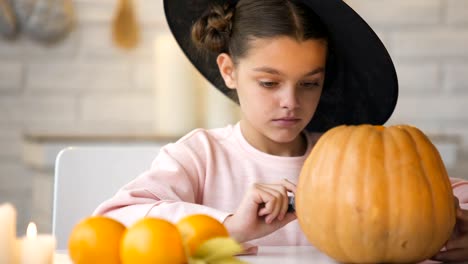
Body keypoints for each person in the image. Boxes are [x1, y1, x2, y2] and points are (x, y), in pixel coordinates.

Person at [94, 0, 468, 261]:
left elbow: (441, 197)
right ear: (229, 71)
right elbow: (114, 220)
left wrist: (456, 230)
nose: (291, 102)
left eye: (308, 84)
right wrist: (229, 227)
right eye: (270, 83)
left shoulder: (352, 154)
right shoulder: (201, 155)